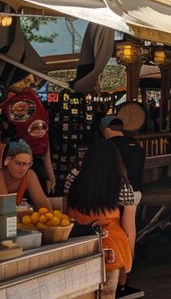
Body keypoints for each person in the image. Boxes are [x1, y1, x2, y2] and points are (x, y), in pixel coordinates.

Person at [65, 140, 135, 299]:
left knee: (79, 293)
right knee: (107, 292)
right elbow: (129, 231)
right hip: (111, 249)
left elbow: (65, 212)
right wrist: (128, 263)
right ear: (116, 160)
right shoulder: (122, 185)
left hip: (78, 243)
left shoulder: (73, 178)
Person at [99, 117, 147, 298]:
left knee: (113, 237)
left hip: (113, 195)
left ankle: (113, 279)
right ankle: (124, 281)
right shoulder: (136, 145)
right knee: (129, 236)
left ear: (105, 130)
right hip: (135, 193)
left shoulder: (108, 147)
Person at [3, 140, 50, 211]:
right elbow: (6, 210)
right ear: (7, 161)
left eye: (26, 164)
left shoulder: (29, 175)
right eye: (18, 163)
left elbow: (46, 209)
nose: (22, 168)